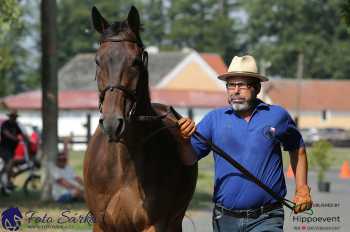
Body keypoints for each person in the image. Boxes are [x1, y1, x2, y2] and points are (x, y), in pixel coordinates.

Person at [178, 55, 312, 231]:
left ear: (256, 87)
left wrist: (302, 188)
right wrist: (184, 140)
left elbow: (297, 149)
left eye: (242, 85)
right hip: (224, 219)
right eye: (231, 85)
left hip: (267, 217)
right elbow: (189, 159)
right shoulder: (213, 119)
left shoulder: (277, 116)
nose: (235, 90)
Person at [0, 109, 26, 193]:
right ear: (10, 117)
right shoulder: (5, 124)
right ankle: (8, 182)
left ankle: (3, 178)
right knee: (10, 161)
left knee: (9, 164)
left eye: (15, 117)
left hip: (11, 150)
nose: (14, 118)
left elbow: (23, 134)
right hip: (4, 148)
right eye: (12, 117)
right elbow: (6, 133)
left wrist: (28, 140)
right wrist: (15, 138)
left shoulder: (16, 125)